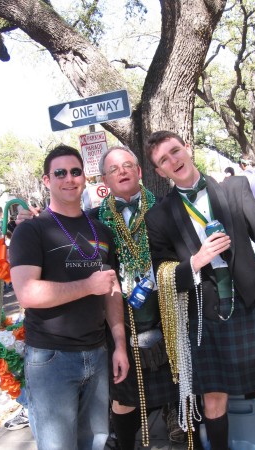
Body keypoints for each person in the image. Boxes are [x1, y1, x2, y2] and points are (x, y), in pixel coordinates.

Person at [16, 146, 199, 448]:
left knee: (176, 384)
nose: (122, 172)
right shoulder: (93, 218)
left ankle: (178, 422)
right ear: (103, 179)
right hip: (87, 339)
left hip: (166, 313)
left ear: (140, 172)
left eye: (128, 165)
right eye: (114, 169)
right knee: (119, 401)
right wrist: (28, 221)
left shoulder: (165, 208)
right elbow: (33, 287)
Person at [144, 130, 255, 450]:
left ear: (187, 147)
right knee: (213, 398)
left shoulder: (235, 188)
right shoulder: (158, 216)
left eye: (175, 151)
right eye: (163, 160)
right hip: (205, 315)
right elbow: (162, 276)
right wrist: (196, 262)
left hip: (252, 304)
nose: (173, 160)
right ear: (160, 171)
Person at [9, 144, 129, 450]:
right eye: (59, 172)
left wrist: (119, 345)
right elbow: (27, 293)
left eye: (75, 171)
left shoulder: (101, 229)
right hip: (51, 360)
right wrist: (88, 286)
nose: (69, 178)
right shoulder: (31, 231)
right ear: (46, 180)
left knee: (95, 443)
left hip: (98, 354)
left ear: (85, 178)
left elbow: (111, 291)